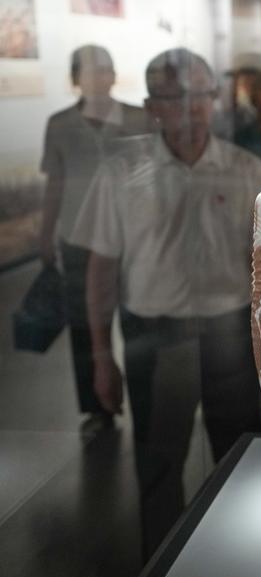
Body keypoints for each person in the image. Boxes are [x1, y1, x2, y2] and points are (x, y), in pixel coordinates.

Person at [69, 47, 261, 559]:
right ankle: (162, 569)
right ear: (151, 106)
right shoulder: (122, 172)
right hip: (156, 337)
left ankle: (242, 563)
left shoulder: (246, 170)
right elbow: (101, 268)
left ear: (214, 99)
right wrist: (100, 357)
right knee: (159, 465)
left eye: (199, 95)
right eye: (173, 96)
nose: (189, 107)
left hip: (230, 333)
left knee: (241, 460)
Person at [38, 44, 149, 435]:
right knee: (84, 325)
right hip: (77, 237)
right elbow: (55, 183)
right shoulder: (59, 124)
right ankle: (97, 407)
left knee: (138, 319)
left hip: (131, 237)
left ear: (114, 75)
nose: (98, 77)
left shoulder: (139, 119)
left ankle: (145, 401)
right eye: (88, 71)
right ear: (74, 79)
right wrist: (45, 233)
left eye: (104, 69)